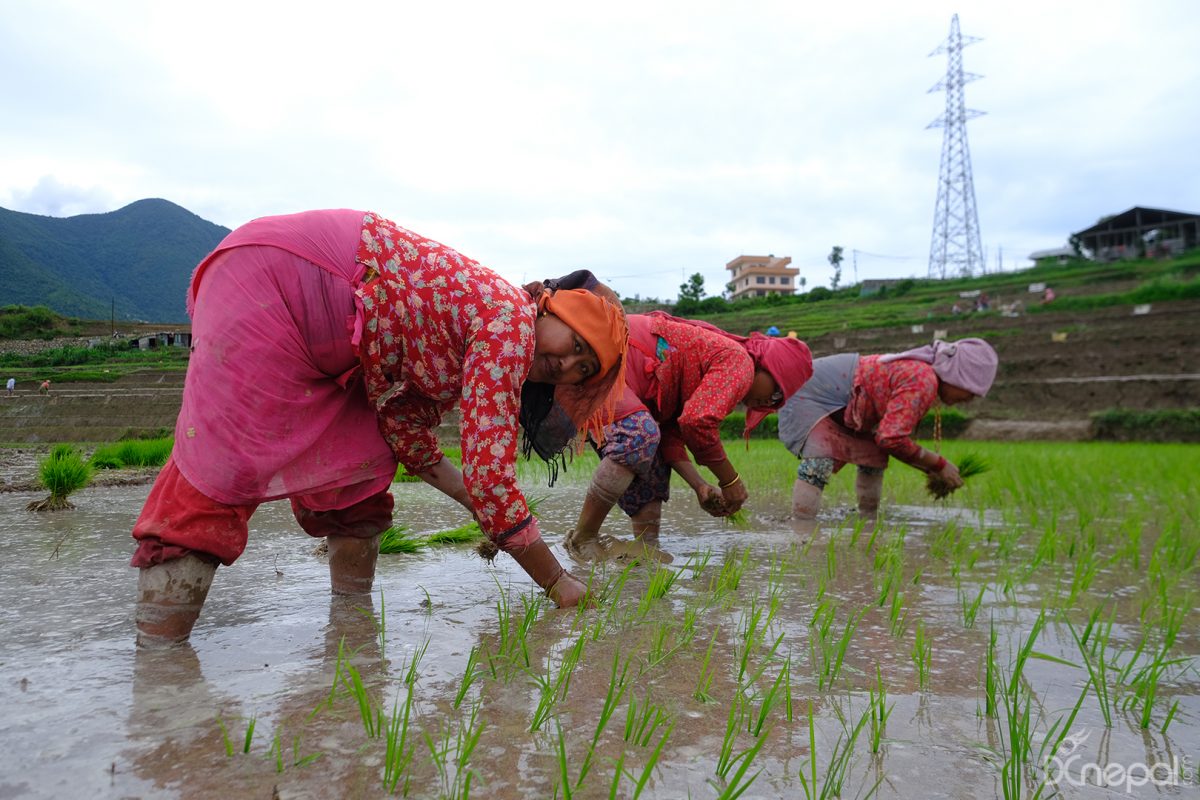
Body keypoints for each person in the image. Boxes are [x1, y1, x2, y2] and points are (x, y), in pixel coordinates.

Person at [130, 209, 628, 648]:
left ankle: (351, 632)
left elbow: (405, 433)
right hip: (278, 279)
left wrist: (484, 507)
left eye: (583, 370)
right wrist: (558, 582)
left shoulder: (467, 338)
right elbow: (491, 478)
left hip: (332, 337)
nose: (566, 364)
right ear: (549, 307)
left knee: (362, 463)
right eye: (576, 343)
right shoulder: (508, 323)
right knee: (225, 463)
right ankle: (161, 671)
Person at [562, 311, 812, 560]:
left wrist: (699, 485)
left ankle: (645, 549)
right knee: (638, 436)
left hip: (620, 371)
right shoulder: (740, 361)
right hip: (608, 356)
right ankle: (583, 537)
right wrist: (730, 481)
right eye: (777, 392)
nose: (769, 401)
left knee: (654, 454)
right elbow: (697, 421)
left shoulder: (714, 365)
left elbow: (673, 433)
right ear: (768, 366)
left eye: (777, 402)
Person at [778, 338, 998, 530]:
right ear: (958, 374)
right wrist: (938, 464)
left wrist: (932, 466)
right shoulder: (923, 379)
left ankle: (868, 522)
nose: (971, 398)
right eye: (972, 390)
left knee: (873, 456)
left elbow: (886, 438)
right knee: (820, 460)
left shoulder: (923, 375)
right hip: (813, 394)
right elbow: (891, 438)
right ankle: (801, 526)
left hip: (854, 408)